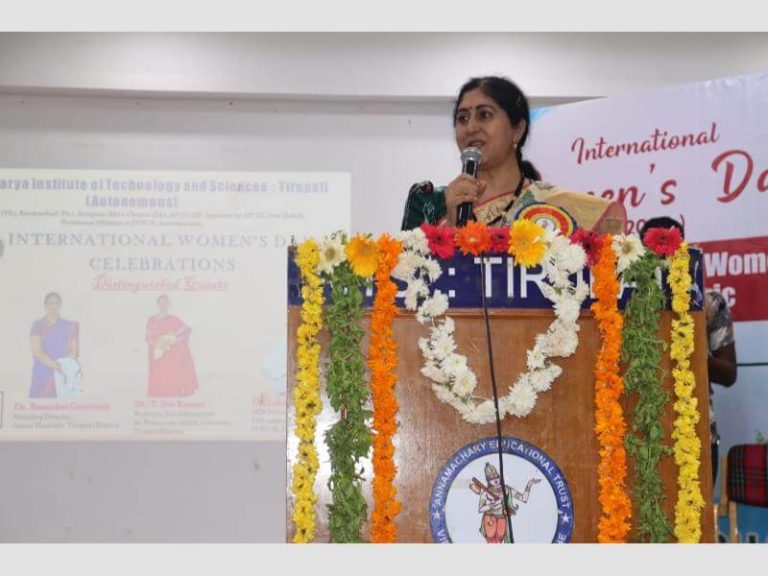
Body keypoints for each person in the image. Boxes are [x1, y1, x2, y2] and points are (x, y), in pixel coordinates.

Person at [401, 76, 626, 234]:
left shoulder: (553, 203)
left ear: (517, 129)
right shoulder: (431, 202)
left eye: (484, 115)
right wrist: (451, 224)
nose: (471, 127)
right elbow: (408, 279)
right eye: (462, 118)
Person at [638, 217, 738, 484]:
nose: (662, 258)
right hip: (642, 436)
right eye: (653, 250)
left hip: (697, 432)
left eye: (669, 247)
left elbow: (729, 374)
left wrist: (689, 350)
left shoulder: (708, 302)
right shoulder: (628, 301)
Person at [471, 462, 541, 544]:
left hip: (502, 517)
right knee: (490, 537)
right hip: (490, 517)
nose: (495, 480)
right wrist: (492, 505)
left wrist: (529, 485)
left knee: (500, 538)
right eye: (491, 478)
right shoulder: (486, 493)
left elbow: (523, 499)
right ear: (488, 481)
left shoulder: (507, 489)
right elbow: (480, 509)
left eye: (496, 477)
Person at [146, 295, 199, 397]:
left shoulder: (174, 319)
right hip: (157, 350)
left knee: (171, 371)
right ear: (157, 305)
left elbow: (185, 330)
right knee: (158, 372)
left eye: (165, 303)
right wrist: (157, 345)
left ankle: (172, 391)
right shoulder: (151, 319)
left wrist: (174, 341)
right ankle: (159, 392)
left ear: (168, 305)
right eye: (161, 303)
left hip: (170, 351)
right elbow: (148, 337)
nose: (163, 305)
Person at [29, 292, 80, 398]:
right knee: (39, 404)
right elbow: (37, 353)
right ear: (45, 306)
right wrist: (57, 366)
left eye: (56, 303)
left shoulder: (69, 326)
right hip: (43, 373)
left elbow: (74, 352)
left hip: (63, 374)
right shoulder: (37, 325)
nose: (53, 306)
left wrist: (65, 365)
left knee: (62, 404)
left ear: (60, 305)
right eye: (50, 303)